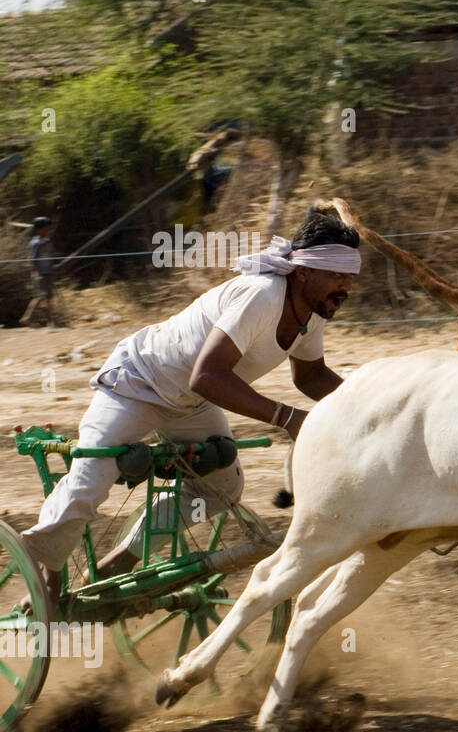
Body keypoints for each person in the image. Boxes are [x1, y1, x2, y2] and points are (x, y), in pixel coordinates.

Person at [20, 205, 360, 596]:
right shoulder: (262, 296)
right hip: (138, 384)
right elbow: (208, 376)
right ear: (304, 272)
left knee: (221, 488)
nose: (345, 288)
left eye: (350, 278)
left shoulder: (311, 314)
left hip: (192, 403)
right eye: (336, 275)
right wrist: (288, 418)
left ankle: (124, 557)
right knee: (90, 482)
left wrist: (364, 402)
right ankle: (46, 566)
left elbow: (311, 376)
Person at [19, 216, 58, 327]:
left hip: (47, 273)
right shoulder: (35, 243)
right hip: (40, 274)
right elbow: (32, 260)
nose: (48, 231)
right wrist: (36, 274)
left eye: (49, 229)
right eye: (46, 229)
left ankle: (27, 318)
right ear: (38, 230)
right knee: (42, 297)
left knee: (44, 297)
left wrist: (52, 269)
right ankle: (50, 321)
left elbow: (50, 257)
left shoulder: (47, 242)